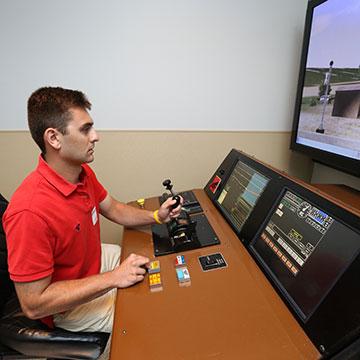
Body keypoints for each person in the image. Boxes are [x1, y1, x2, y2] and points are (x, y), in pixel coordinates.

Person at [3, 86, 182, 359]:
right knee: (146, 323)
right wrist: (114, 278)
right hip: (66, 309)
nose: (95, 137)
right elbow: (34, 305)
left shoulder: (81, 173)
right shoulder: (29, 212)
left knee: (152, 258)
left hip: (93, 263)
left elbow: (115, 209)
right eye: (85, 129)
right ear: (54, 138)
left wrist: (156, 217)